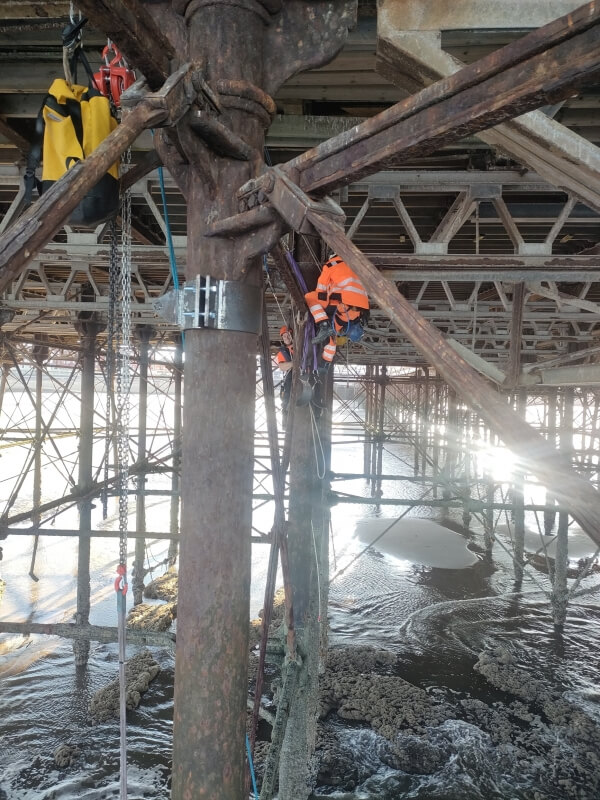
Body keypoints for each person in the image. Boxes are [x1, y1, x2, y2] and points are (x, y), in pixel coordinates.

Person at [305, 253, 369, 365]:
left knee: (312, 297)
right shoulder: (355, 267)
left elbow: (321, 288)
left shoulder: (331, 265)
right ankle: (323, 327)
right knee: (310, 299)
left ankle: (324, 325)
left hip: (351, 306)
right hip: (351, 306)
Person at [276, 325, 294, 427]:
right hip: (289, 379)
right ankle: (286, 423)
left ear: (292, 335)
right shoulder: (282, 352)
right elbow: (282, 366)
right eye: (284, 337)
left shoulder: (300, 346)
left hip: (303, 375)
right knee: (286, 400)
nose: (286, 338)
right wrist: (295, 363)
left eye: (287, 335)